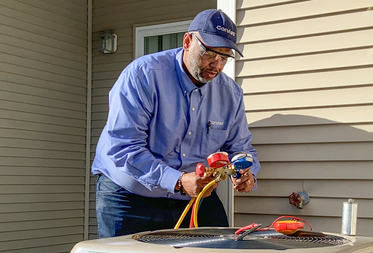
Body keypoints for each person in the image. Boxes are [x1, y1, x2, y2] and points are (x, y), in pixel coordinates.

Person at [91, 9, 260, 238]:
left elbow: (240, 147)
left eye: (224, 57)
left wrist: (246, 172)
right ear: (188, 41)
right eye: (210, 53)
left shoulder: (230, 94)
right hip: (129, 194)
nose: (217, 65)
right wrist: (178, 181)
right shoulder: (143, 75)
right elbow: (124, 147)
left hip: (193, 195)